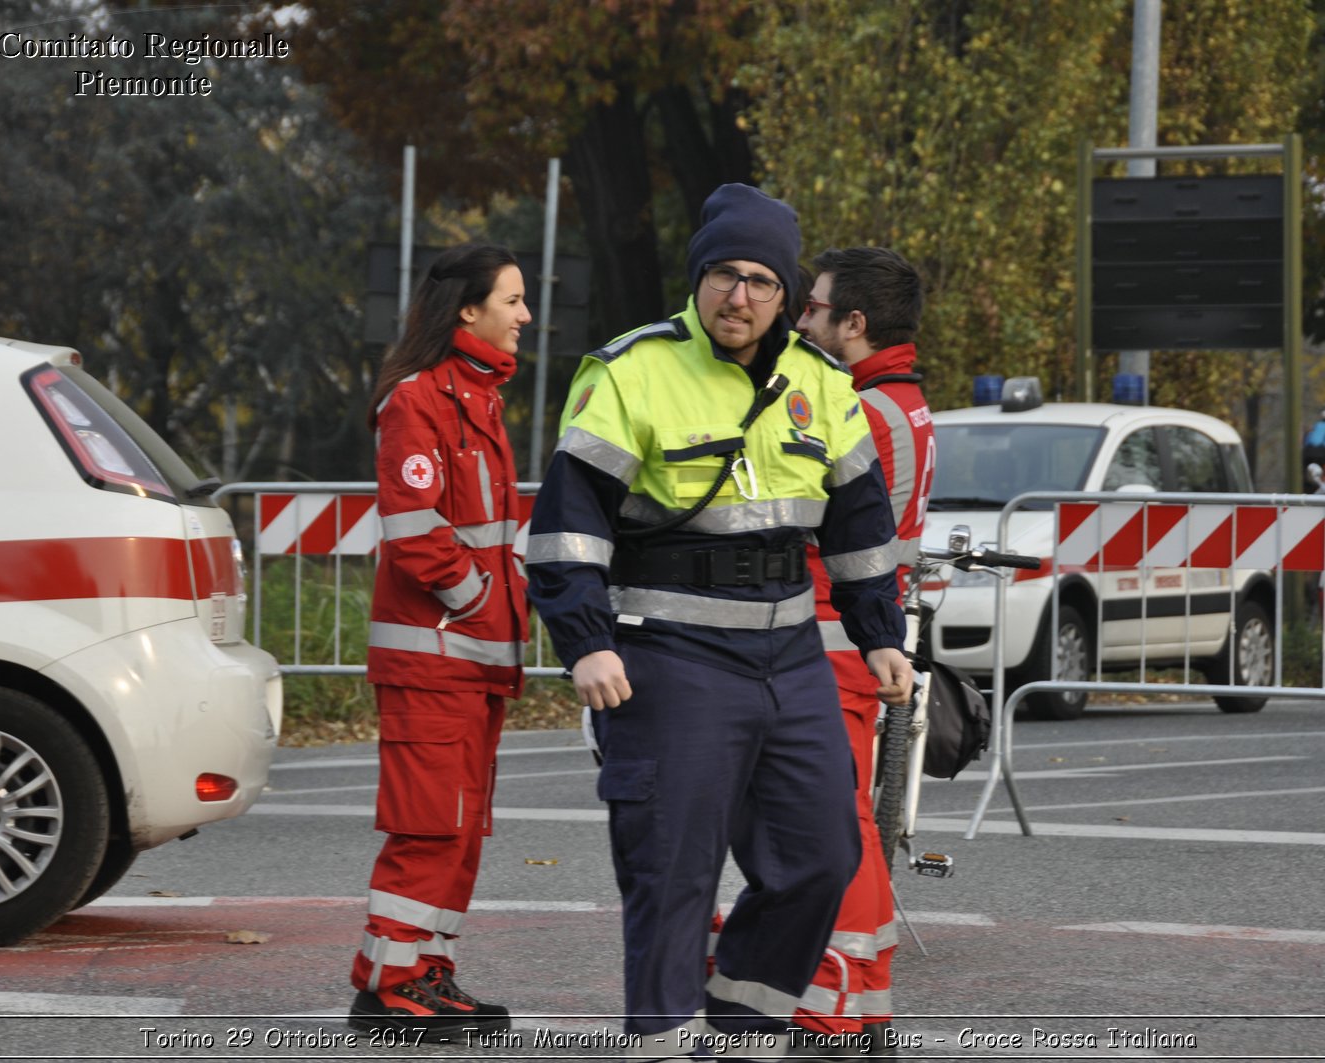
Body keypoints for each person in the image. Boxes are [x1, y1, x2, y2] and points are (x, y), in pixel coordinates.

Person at [526, 184, 914, 1057]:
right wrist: (586, 643)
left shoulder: (820, 383)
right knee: (672, 871)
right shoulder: (633, 370)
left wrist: (879, 630)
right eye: (723, 276)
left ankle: (740, 1025)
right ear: (699, 278)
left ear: (787, 295)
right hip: (670, 656)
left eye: (761, 282)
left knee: (823, 857)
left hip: (790, 655)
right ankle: (663, 1038)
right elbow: (566, 523)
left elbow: (859, 522)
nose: (739, 297)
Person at [346, 244, 531, 1039]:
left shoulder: (478, 396)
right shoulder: (418, 400)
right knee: (430, 827)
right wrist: (482, 598)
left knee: (456, 828)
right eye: (513, 299)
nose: (525, 314)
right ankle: (392, 985)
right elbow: (419, 535)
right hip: (437, 658)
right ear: (468, 309)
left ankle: (422, 971)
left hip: (471, 660)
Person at [793, 246, 935, 1053]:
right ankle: (862, 1004)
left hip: (830, 634)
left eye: (813, 308)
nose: (801, 319)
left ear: (855, 322)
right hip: (855, 634)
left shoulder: (863, 410)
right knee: (844, 822)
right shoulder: (898, 399)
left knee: (826, 828)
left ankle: (832, 1012)